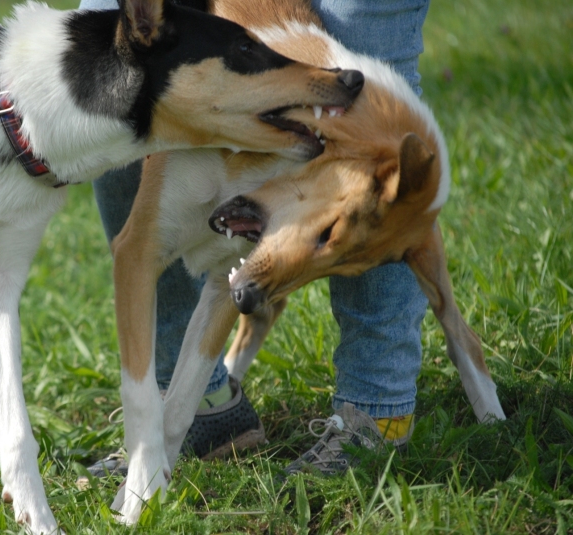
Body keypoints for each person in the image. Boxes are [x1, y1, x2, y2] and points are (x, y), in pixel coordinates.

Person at [77, 0, 431, 481]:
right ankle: (189, 410)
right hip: (233, 105)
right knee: (116, 55)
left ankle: (376, 408)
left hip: (290, 129)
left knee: (370, 60)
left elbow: (230, 286)